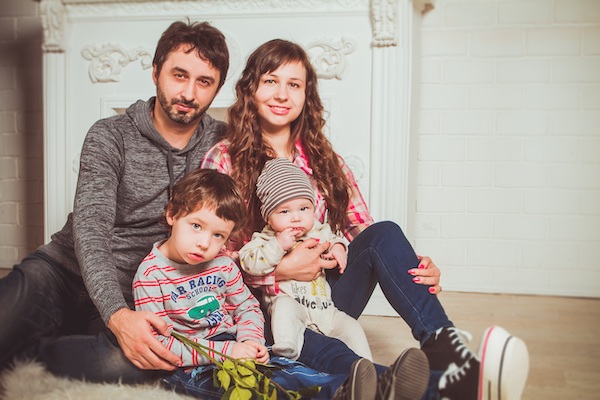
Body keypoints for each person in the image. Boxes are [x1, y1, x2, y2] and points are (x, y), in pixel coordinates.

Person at [201, 38, 530, 400]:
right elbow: (209, 260)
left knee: (385, 233)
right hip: (268, 308)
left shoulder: (326, 160)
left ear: (306, 95)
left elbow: (367, 237)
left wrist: (413, 267)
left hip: (326, 297)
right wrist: (279, 270)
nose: (282, 94)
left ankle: (446, 350)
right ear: (251, 88)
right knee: (336, 358)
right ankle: (446, 390)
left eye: (293, 85)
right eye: (270, 81)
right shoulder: (223, 160)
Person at [0, 20, 231, 384]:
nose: (188, 92)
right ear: (156, 72)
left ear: (217, 89)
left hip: (134, 288)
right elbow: (90, 231)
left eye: (204, 82)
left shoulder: (223, 146)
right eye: (179, 75)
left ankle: (34, 351)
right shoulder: (109, 135)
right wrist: (117, 317)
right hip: (64, 269)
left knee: (144, 361)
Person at [139, 168, 430, 400]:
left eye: (218, 236)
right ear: (172, 215)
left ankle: (376, 388)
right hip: (193, 366)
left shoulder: (222, 264)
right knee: (265, 389)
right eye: (196, 226)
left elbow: (247, 306)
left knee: (291, 368)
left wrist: (250, 339)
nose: (205, 243)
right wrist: (227, 353)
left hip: (237, 344)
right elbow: (161, 345)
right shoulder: (150, 276)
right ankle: (341, 394)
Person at [239, 157, 372, 362]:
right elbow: (249, 263)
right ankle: (286, 347)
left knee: (352, 328)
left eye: (304, 208)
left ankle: (366, 364)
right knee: (283, 309)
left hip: (324, 309)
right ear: (268, 217)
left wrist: (338, 247)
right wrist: (278, 245)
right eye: (284, 211)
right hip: (291, 305)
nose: (296, 217)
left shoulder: (319, 230)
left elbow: (335, 238)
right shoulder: (264, 239)